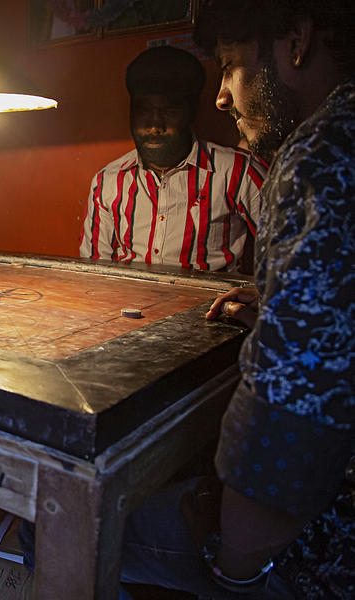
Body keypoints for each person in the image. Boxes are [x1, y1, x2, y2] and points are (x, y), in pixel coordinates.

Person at [119, 1, 354, 598]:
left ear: (296, 41)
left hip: (326, 546)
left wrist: (237, 564)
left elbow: (293, 412)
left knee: (64, 529)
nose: (223, 96)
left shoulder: (320, 153)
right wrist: (282, 306)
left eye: (230, 66)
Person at [79, 46, 267, 273]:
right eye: (143, 111)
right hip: (125, 305)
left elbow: (291, 252)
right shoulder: (108, 180)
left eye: (168, 111)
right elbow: (93, 272)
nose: (154, 125)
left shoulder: (236, 172)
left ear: (191, 112)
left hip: (208, 306)